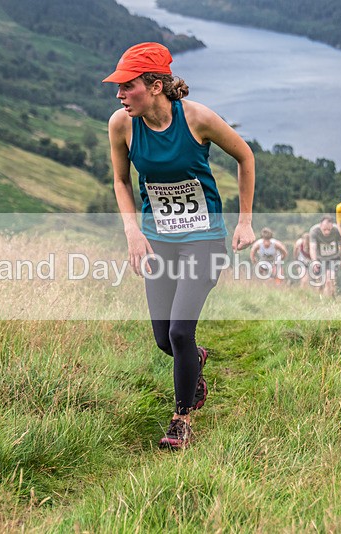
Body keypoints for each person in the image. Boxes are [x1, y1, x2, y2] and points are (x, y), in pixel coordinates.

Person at [105, 42, 255, 449]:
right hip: (157, 242)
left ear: (155, 85)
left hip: (204, 239)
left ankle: (181, 419)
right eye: (118, 86)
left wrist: (244, 222)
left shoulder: (198, 118)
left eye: (127, 85)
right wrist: (133, 233)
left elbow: (245, 157)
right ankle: (195, 362)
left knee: (179, 331)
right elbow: (121, 181)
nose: (119, 94)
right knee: (163, 339)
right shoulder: (121, 124)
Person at [308, 216, 341, 297]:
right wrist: (314, 261)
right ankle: (319, 300)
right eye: (324, 230)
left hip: (333, 258)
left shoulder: (337, 230)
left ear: (332, 226)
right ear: (320, 226)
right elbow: (312, 248)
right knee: (319, 283)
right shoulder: (314, 231)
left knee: (329, 279)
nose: (327, 232)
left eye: (329, 230)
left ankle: (330, 298)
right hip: (320, 259)